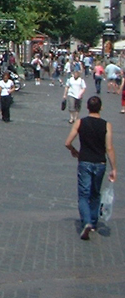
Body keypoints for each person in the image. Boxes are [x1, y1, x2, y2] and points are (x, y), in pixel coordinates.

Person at [65, 96, 117, 240]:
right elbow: (109, 148)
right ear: (101, 108)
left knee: (83, 194)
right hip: (100, 163)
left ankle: (86, 221)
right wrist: (114, 168)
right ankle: (93, 222)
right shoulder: (107, 125)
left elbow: (68, 142)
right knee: (95, 193)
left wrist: (74, 151)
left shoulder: (80, 122)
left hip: (85, 161)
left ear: (87, 108)